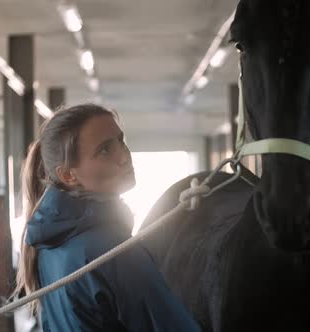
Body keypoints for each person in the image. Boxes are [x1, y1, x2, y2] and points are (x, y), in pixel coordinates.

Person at [13, 104, 201, 331]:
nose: (124, 156)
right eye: (105, 150)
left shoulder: (48, 241)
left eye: (120, 141)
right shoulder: (111, 250)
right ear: (69, 175)